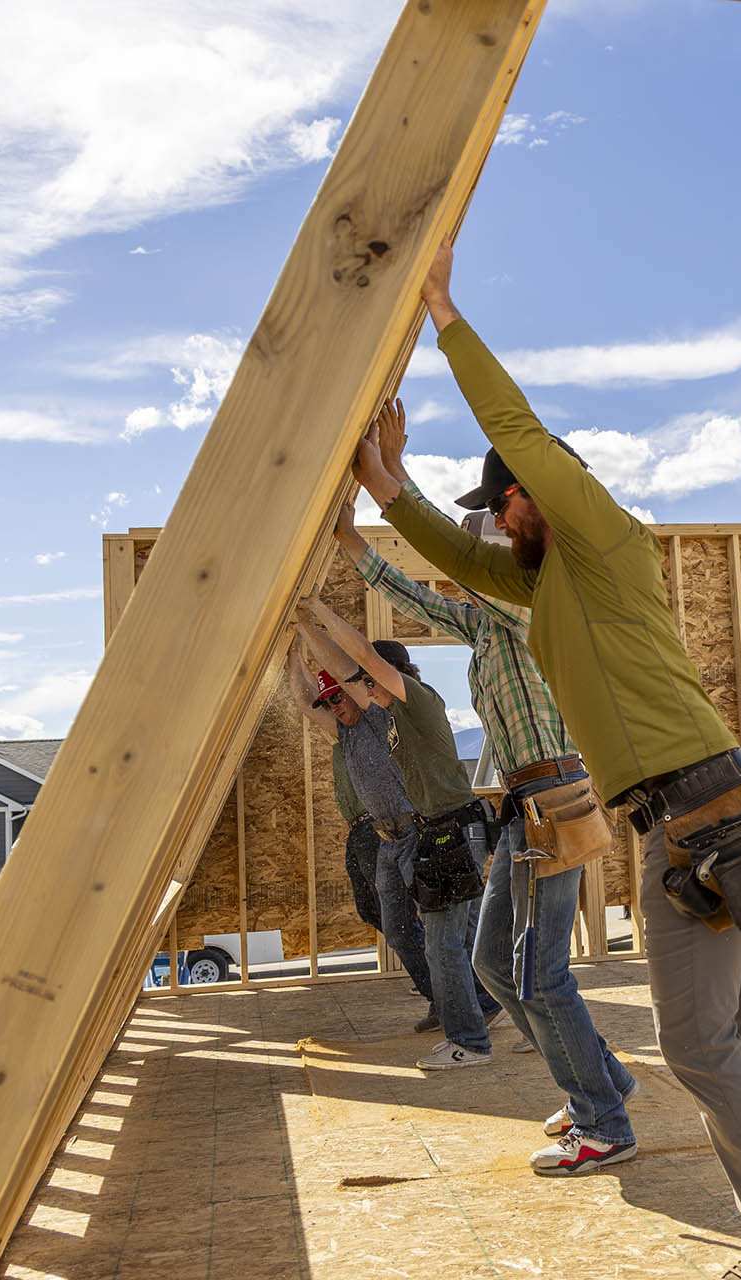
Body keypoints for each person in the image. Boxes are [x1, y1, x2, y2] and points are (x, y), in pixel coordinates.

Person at [358, 242, 741, 1279]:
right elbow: (459, 557)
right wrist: (387, 482)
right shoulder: (555, 582)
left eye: (503, 502)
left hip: (697, 820)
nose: (496, 520)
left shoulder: (603, 538)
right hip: (717, 805)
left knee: (698, 1045)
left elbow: (516, 433)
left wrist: (444, 314)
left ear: (535, 494)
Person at [341, 409, 639, 1177]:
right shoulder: (493, 620)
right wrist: (349, 537)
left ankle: (602, 1120)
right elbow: (423, 595)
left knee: (541, 973)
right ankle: (603, 1080)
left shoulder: (536, 596)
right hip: (521, 809)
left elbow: (455, 563)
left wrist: (391, 480)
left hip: (552, 801)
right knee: (495, 967)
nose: (487, 533)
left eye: (495, 520)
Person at [291, 596, 503, 1069]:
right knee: (458, 942)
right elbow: (337, 684)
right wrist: (303, 636)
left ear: (389, 676)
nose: (363, 688)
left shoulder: (411, 703)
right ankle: (485, 1020)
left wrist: (313, 619)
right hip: (435, 833)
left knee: (451, 943)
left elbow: (360, 661)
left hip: (454, 830)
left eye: (370, 681)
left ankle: (472, 1037)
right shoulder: (389, 719)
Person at [330, 732, 443, 1034]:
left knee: (405, 923)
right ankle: (439, 986)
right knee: (371, 911)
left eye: (335, 700)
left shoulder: (362, 727)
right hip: (359, 831)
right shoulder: (342, 736)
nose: (332, 708)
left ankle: (447, 996)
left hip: (375, 827)